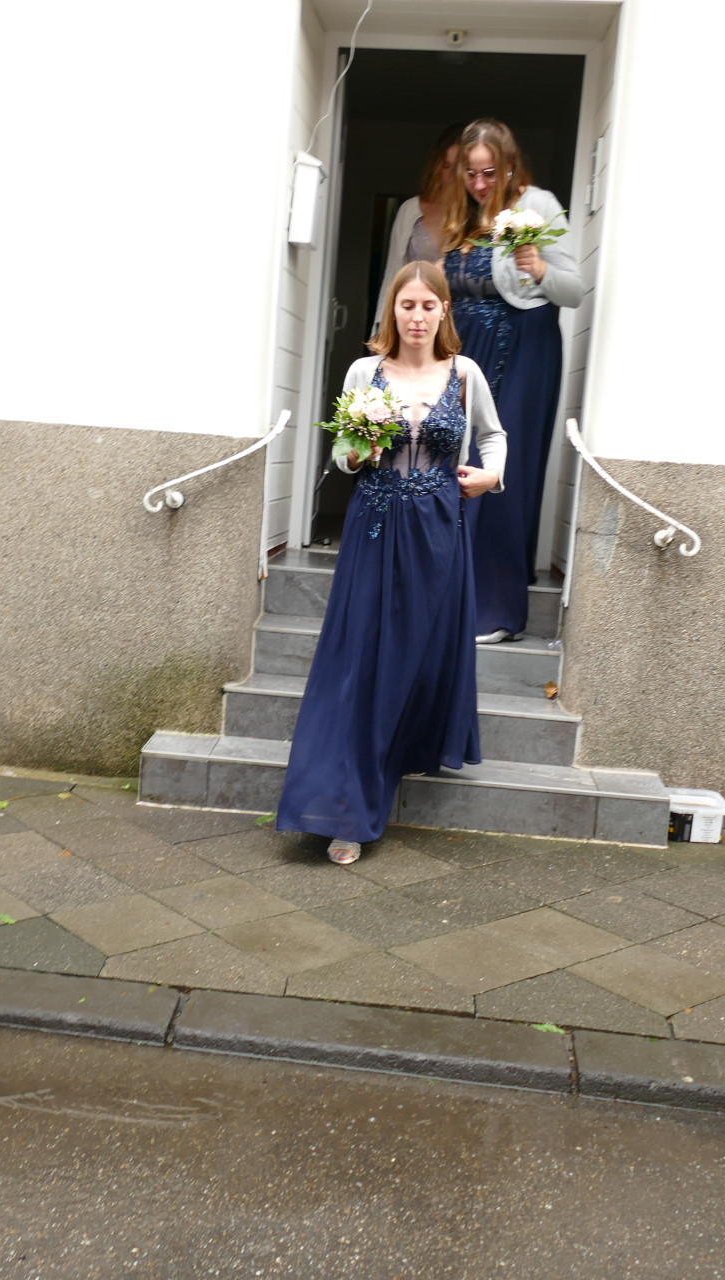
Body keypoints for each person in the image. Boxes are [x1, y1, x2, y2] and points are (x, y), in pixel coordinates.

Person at [275, 261, 506, 865]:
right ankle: (347, 809)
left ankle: (401, 749)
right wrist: (356, 456)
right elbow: (342, 451)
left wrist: (492, 476)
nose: (417, 317)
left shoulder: (465, 373)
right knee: (361, 658)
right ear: (393, 310)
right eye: (408, 305)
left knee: (418, 654)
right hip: (373, 524)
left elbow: (493, 436)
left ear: (444, 310)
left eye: (429, 306)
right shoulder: (365, 371)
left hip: (439, 528)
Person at [439, 119, 583, 643]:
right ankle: (450, 594)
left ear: (510, 165)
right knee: (452, 456)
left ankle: (495, 609)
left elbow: (574, 290)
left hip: (522, 347)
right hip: (467, 352)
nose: (479, 184)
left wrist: (538, 267)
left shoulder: (539, 204)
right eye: (470, 173)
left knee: (502, 464)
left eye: (489, 172)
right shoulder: (463, 213)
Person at [374, 124, 465, 317]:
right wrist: (382, 325)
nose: (452, 175)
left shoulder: (478, 217)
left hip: (461, 321)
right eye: (446, 166)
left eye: (459, 167)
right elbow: (393, 273)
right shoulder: (410, 210)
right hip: (415, 318)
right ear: (436, 167)